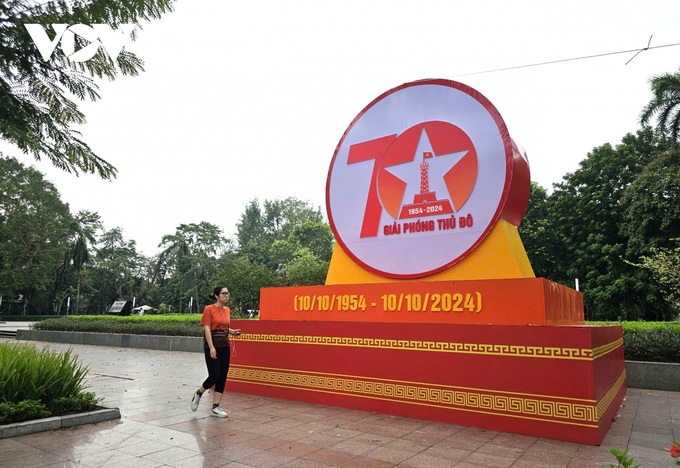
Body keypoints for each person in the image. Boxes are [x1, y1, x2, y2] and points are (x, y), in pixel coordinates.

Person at [190, 286, 241, 417]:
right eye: (224, 293)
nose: (227, 295)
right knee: (214, 375)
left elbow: (224, 327)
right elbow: (207, 329)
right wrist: (211, 347)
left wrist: (232, 331)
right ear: (217, 296)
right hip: (212, 345)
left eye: (228, 293)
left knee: (222, 376)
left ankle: (215, 407)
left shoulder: (227, 310)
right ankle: (199, 393)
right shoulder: (209, 309)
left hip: (225, 345)